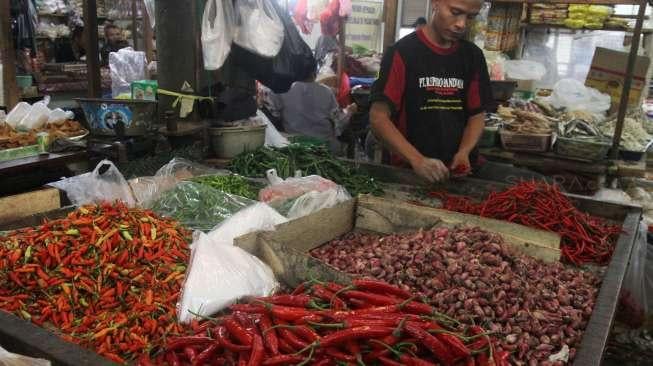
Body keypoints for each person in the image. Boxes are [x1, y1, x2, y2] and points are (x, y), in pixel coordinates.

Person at [369, 0, 545, 184]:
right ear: (435, 3)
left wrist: (464, 152)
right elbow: (378, 118)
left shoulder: (473, 56)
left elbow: (476, 114)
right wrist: (417, 160)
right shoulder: (402, 53)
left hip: (460, 171)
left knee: (543, 188)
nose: (461, 24)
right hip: (411, 172)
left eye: (470, 17)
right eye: (455, 12)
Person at [271, 60, 358, 155]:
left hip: (295, 147)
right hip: (324, 147)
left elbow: (274, 116)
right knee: (349, 136)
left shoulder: (282, 90)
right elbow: (339, 123)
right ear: (314, 72)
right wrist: (349, 112)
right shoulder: (326, 92)